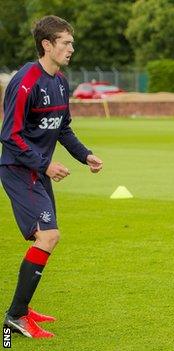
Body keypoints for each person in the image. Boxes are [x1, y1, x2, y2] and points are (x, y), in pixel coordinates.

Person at [1, 15, 103, 338]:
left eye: (71, 42)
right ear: (47, 45)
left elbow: (63, 129)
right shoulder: (25, 81)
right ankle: (15, 316)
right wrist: (44, 166)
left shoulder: (60, 82)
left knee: (45, 238)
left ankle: (22, 309)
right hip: (19, 171)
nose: (72, 48)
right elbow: (9, 135)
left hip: (37, 173)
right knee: (49, 236)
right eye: (66, 42)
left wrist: (85, 155)